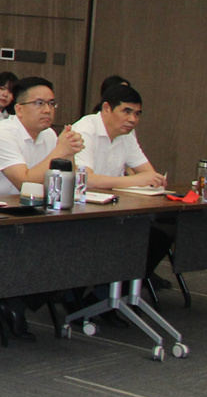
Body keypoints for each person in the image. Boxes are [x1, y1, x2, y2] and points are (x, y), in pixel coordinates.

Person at [71, 81, 170, 276]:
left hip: (111, 210)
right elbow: (86, 180)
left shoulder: (127, 135)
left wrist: (150, 179)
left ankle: (117, 288)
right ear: (107, 108)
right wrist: (135, 180)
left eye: (137, 114)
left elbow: (149, 175)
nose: (133, 119)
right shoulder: (83, 130)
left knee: (160, 236)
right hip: (80, 212)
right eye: (127, 111)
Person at [0, 77, 84, 198]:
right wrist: (60, 150)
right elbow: (24, 185)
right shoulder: (3, 135)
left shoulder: (48, 134)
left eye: (51, 103)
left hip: (26, 205)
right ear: (19, 109)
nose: (47, 110)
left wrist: (69, 151)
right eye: (39, 103)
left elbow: (65, 186)